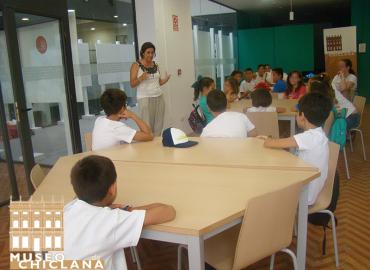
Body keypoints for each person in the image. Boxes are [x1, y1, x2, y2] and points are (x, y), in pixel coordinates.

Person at [64, 155, 176, 270]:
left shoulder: (67, 208)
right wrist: (128, 211)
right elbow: (168, 211)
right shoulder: (111, 220)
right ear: (112, 189)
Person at [261, 93, 332, 205]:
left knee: (266, 182)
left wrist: (267, 139)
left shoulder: (308, 137)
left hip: (304, 196)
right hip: (311, 188)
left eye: (296, 113)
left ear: (302, 116)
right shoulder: (319, 135)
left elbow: (272, 143)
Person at [130, 42, 171, 136]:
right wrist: (141, 78)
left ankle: (156, 147)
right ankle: (148, 148)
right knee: (147, 127)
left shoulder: (156, 65)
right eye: (148, 52)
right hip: (145, 98)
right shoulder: (136, 65)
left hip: (159, 96)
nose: (151, 55)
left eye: (152, 52)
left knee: (158, 125)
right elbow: (132, 84)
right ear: (143, 53)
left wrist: (166, 79)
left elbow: (159, 82)